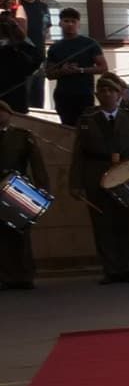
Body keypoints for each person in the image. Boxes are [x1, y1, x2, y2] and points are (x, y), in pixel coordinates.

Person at [74, 71, 129, 283]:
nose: (106, 93)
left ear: (119, 94)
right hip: (96, 172)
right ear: (96, 95)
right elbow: (78, 153)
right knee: (103, 223)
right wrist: (76, 183)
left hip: (128, 171)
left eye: (111, 90)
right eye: (102, 90)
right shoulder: (87, 119)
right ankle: (111, 269)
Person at [0, 108, 47, 289]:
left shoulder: (22, 135)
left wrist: (42, 188)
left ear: (9, 114)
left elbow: (37, 163)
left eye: (2, 111)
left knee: (20, 232)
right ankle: (6, 277)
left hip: (17, 186)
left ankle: (24, 276)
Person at [44, 3, 103, 126]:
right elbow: (49, 74)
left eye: (73, 21)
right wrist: (62, 71)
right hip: (63, 96)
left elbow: (103, 67)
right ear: (60, 23)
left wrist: (80, 70)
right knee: (67, 129)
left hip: (84, 94)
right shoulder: (55, 47)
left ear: (78, 24)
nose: (70, 24)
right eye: (66, 21)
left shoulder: (90, 43)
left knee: (86, 128)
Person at [0, 13, 41, 114]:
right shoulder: (18, 48)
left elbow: (36, 61)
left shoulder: (17, 49)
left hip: (16, 102)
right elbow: (36, 61)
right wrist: (19, 34)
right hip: (15, 102)